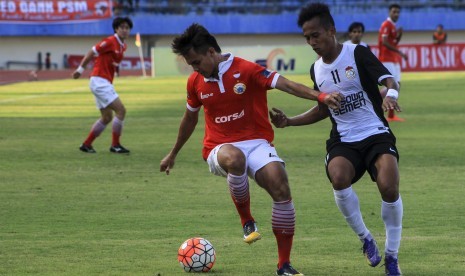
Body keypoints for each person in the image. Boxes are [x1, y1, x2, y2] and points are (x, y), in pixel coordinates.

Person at [159, 23, 342, 276]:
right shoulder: (195, 82)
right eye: (191, 65)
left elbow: (285, 84)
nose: (195, 68)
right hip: (218, 147)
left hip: (256, 142)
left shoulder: (246, 69)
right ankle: (247, 220)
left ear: (211, 52)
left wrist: (319, 97)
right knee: (235, 158)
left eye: (196, 62)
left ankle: (284, 265)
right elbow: (189, 118)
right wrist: (173, 153)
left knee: (281, 185)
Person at [269, 3, 403, 275]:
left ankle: (391, 257)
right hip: (343, 139)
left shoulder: (357, 53)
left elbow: (390, 81)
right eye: (307, 38)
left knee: (389, 187)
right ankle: (365, 238)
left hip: (375, 132)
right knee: (338, 177)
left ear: (331, 31)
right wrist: (289, 122)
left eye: (315, 35)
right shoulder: (316, 70)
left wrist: (391, 96)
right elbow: (322, 108)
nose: (311, 42)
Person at [73, 17, 133, 154]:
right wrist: (79, 70)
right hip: (99, 81)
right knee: (121, 110)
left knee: (107, 117)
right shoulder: (110, 41)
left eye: (127, 28)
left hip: (103, 82)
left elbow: (113, 62)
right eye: (121, 27)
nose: (124, 30)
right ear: (116, 29)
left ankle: (87, 145)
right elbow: (92, 51)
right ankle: (115, 145)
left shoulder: (123, 46)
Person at [378, 3, 407, 122]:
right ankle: (375, 100)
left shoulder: (393, 26)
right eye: (394, 11)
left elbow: (394, 42)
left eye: (398, 12)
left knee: (397, 85)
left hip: (393, 58)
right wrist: (399, 52)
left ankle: (391, 115)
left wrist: (399, 35)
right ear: (389, 12)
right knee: (393, 85)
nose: (396, 14)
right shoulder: (386, 24)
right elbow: (384, 42)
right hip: (386, 59)